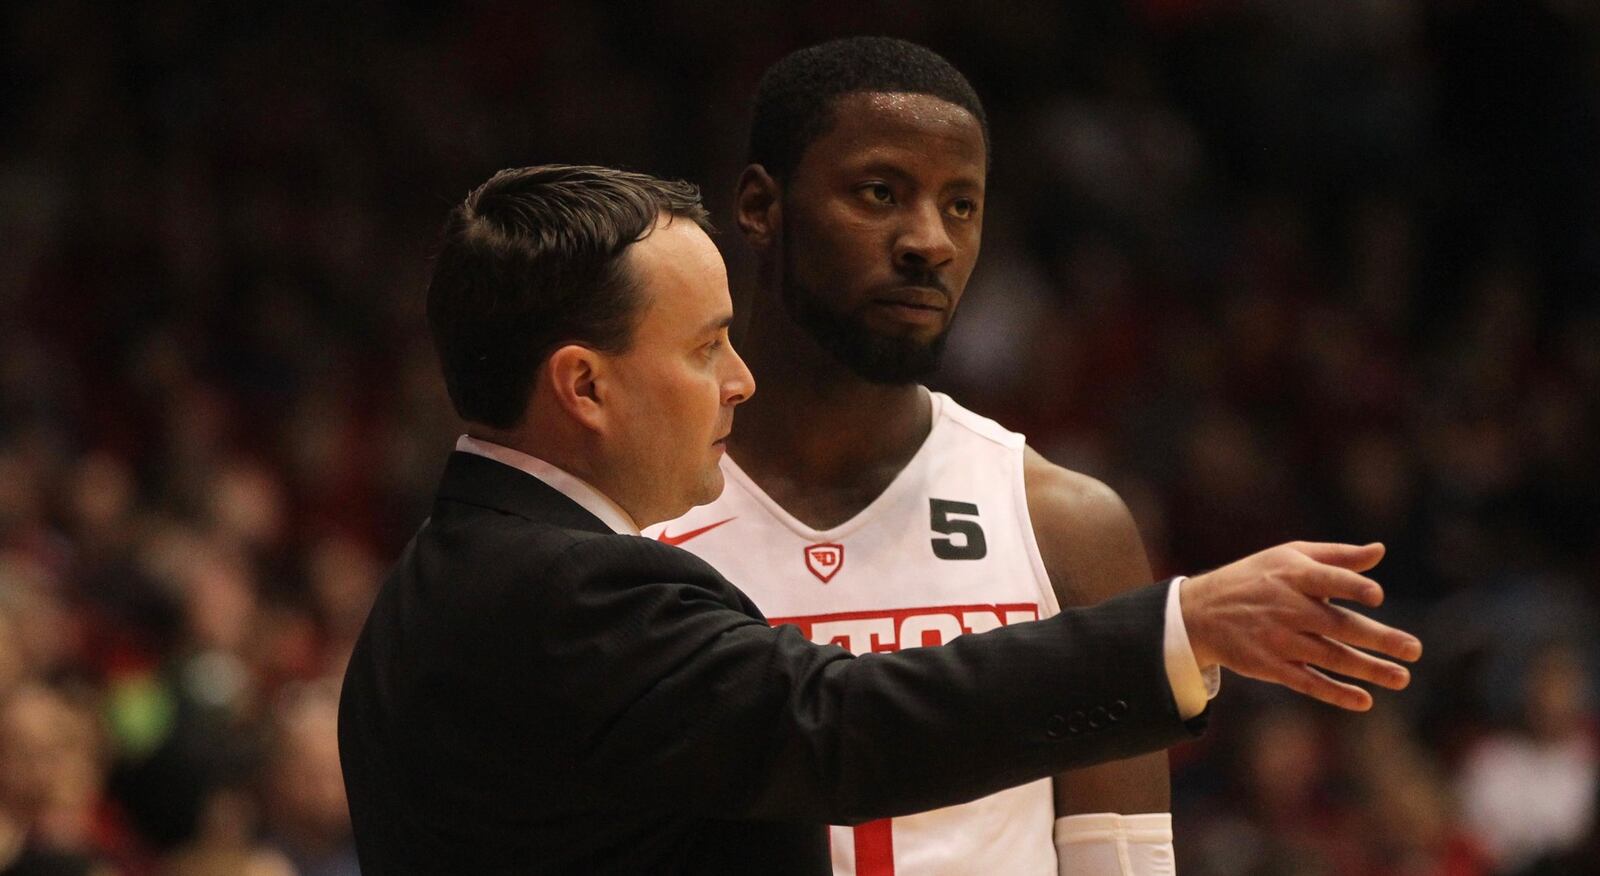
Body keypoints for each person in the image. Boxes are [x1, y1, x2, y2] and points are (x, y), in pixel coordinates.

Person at [337, 163, 1420, 875]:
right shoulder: (576, 591)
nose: (740, 381)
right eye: (706, 347)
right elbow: (843, 725)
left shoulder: (428, 588)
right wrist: (1180, 627)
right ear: (584, 386)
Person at [642, 36, 1393, 876]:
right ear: (758, 205)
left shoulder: (1065, 524)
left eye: (961, 205)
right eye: (881, 192)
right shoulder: (628, 519)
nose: (928, 240)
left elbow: (1123, 864)